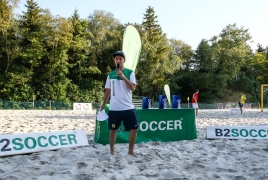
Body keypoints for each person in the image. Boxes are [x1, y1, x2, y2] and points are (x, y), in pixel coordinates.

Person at [100, 51, 138, 157]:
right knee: (113, 130)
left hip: (128, 107)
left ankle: (130, 151)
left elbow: (133, 88)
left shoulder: (130, 73)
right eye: (116, 59)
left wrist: (123, 77)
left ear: (124, 60)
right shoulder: (110, 74)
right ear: (114, 60)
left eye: (120, 59)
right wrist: (103, 104)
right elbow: (108, 91)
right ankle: (112, 151)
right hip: (114, 108)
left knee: (134, 129)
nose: (118, 60)